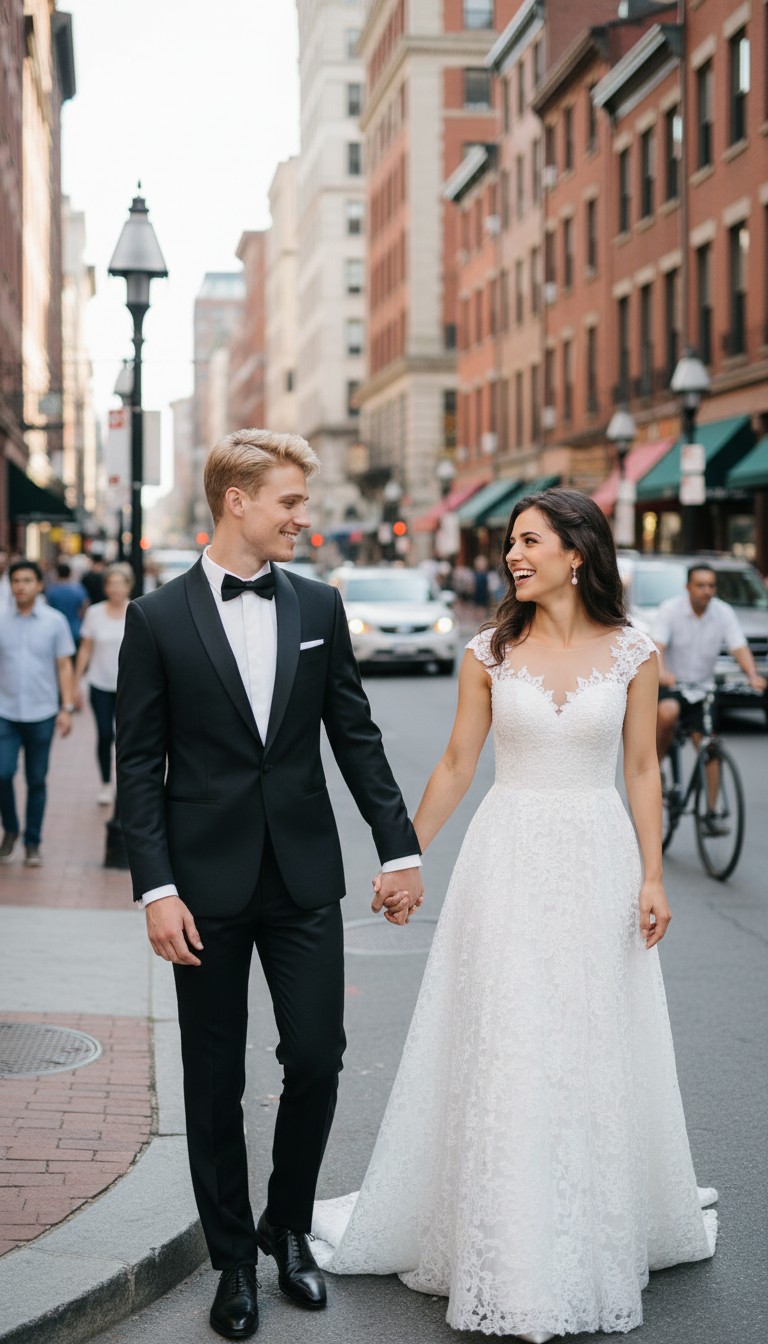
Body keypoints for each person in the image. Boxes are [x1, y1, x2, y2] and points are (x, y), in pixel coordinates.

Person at [313, 490, 717, 1342]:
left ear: (579, 552)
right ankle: (506, 1235)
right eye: (509, 543)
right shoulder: (488, 652)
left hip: (598, 858)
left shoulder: (634, 652)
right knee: (510, 1035)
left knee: (587, 1034)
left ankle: (587, 1220)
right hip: (505, 861)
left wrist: (653, 875)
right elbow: (458, 764)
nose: (512, 556)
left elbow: (642, 770)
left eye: (529, 541)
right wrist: (404, 856)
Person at [115, 428, 423, 1341]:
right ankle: (232, 1264)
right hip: (200, 887)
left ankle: (287, 1229)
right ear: (237, 501)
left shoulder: (319, 603)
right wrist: (155, 889)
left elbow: (355, 735)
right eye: (290, 501)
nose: (302, 517)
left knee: (317, 1057)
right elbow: (138, 767)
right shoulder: (156, 619)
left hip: (302, 878)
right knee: (214, 1078)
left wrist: (399, 849)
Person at [0, 560, 75, 867]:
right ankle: (11, 828)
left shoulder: (55, 621)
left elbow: (64, 665)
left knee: (36, 780)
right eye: (16, 580)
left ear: (39, 585)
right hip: (5, 712)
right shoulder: (1, 620)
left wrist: (66, 707)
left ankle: (32, 842)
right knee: (3, 773)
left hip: (42, 712)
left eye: (27, 580)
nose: (21, 586)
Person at [654, 561, 765, 762]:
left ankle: (709, 784)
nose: (707, 591)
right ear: (688, 587)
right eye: (700, 585)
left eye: (711, 586)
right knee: (667, 713)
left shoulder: (723, 612)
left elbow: (739, 648)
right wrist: (662, 673)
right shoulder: (669, 610)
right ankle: (655, 766)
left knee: (710, 749)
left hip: (704, 689)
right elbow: (657, 646)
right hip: (673, 686)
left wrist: (752, 675)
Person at [74, 563, 133, 805]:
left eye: (121, 584)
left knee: (126, 737)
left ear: (129, 586)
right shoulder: (94, 613)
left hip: (129, 687)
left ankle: (125, 784)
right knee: (105, 733)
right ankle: (106, 783)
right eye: (111, 584)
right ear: (105, 587)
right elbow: (85, 649)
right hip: (99, 684)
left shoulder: (137, 610)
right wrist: (76, 683)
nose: (116, 589)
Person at [45, 561, 89, 648]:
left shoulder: (51, 590)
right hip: (75, 628)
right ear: (70, 574)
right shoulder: (78, 589)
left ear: (57, 574)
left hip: (55, 629)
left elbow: (47, 608)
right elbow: (84, 608)